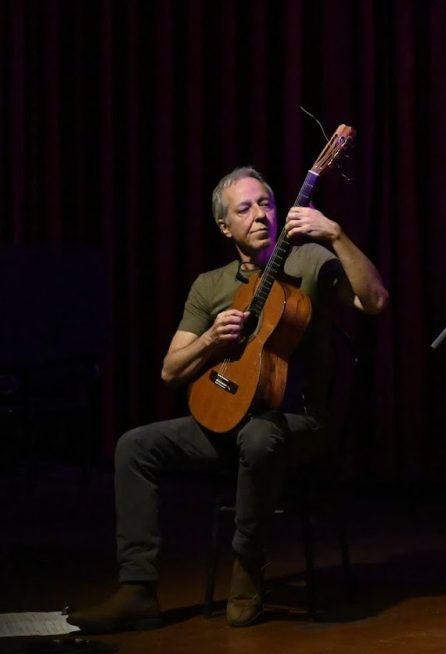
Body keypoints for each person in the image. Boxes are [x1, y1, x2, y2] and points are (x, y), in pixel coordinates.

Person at [67, 166, 389, 632]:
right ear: (224, 226)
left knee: (260, 436)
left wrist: (335, 234)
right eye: (245, 208)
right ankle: (137, 589)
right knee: (135, 446)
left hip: (296, 421)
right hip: (226, 418)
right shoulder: (210, 285)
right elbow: (171, 370)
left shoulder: (311, 260)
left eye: (267, 204)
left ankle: (248, 562)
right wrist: (212, 341)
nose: (260, 215)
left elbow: (375, 301)